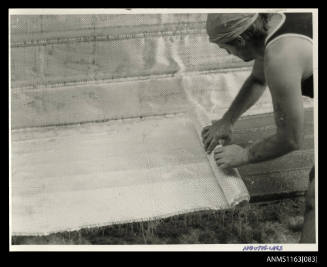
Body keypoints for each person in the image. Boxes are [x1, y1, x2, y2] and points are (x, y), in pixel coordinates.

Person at [203, 13, 315, 243]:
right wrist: (227, 120)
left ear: (241, 41)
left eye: (226, 48)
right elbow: (257, 79)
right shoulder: (272, 25)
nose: (227, 53)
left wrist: (243, 155)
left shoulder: (280, 58)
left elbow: (291, 139)